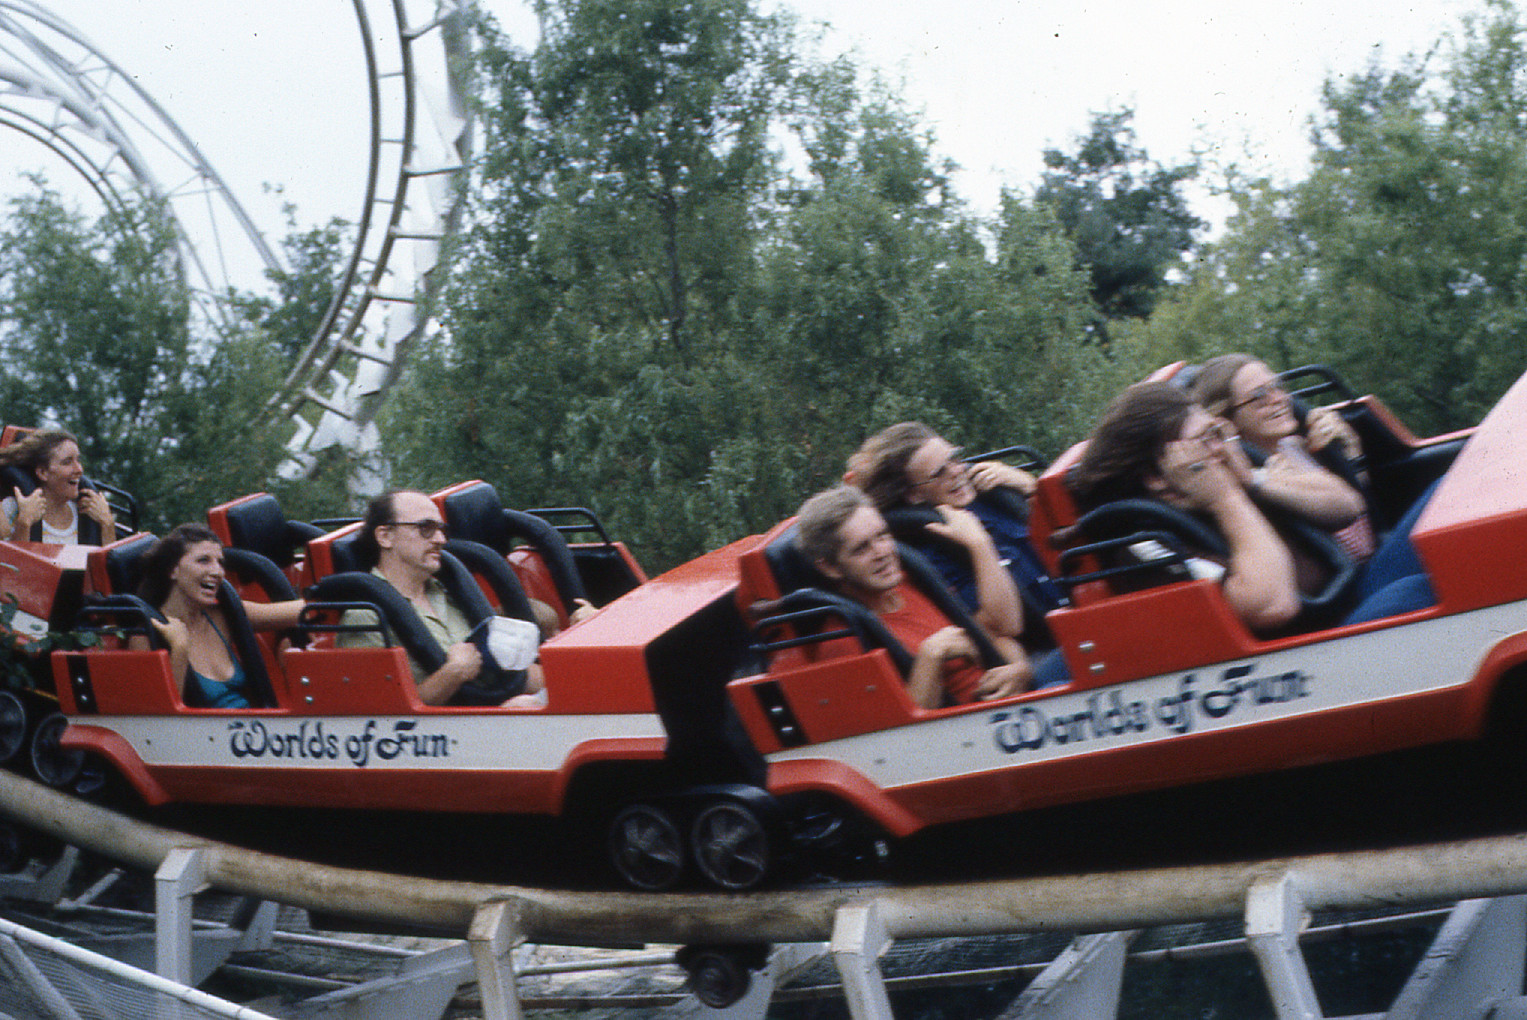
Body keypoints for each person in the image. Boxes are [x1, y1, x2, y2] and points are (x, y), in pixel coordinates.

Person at [1068, 382, 1302, 634]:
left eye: (1215, 434)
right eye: (1202, 441)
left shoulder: (1230, 477)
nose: (1220, 448)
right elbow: (1272, 606)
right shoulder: (1146, 545)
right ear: (1155, 476)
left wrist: (1251, 480)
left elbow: (1336, 506)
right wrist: (1225, 499)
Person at [793, 485, 1034, 709]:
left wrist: (1019, 669)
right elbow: (893, 734)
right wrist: (931, 657)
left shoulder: (910, 581)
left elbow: (990, 634)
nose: (882, 552)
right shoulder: (842, 640)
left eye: (882, 536)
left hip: (1011, 704)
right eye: (861, 548)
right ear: (830, 567)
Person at [852, 422, 1063, 640]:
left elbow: (1062, 534)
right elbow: (1002, 626)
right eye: (939, 473)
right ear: (913, 495)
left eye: (954, 458)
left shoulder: (993, 496)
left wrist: (1030, 487)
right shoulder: (931, 550)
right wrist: (979, 545)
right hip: (1045, 639)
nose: (956, 471)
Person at [338, 490, 546, 706]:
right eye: (425, 528)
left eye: (441, 529)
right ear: (385, 536)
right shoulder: (365, 617)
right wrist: (453, 672)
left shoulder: (453, 594)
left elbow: (514, 676)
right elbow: (378, 712)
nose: (440, 539)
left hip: (498, 711)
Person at [1189, 354, 1370, 556]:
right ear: (1226, 421)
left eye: (1277, 386)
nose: (1279, 399)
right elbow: (1347, 513)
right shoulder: (1252, 479)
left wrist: (1350, 452)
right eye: (1259, 396)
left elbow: (1364, 509)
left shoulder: (1296, 445)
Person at [131, 524, 303, 708]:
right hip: (202, 726)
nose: (217, 572)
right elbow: (160, 718)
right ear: (172, 570)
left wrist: (325, 593)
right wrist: (179, 648)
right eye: (203, 560)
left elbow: (302, 611)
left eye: (220, 562)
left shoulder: (222, 615)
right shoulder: (146, 636)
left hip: (251, 722)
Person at [0, 429, 116, 544]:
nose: (79, 470)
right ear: (43, 472)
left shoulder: (88, 513)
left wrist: (107, 523)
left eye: (78, 460)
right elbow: (9, 556)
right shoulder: (11, 509)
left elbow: (109, 556)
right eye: (67, 462)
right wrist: (24, 523)